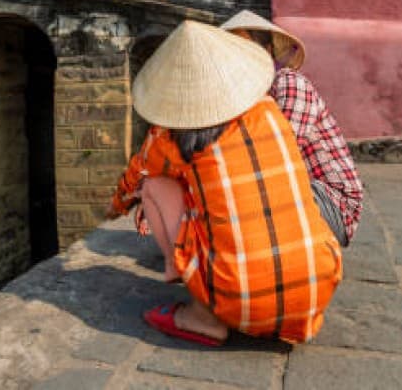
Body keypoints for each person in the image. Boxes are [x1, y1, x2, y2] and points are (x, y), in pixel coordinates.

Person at [107, 21, 342, 346]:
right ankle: (260, 306)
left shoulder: (170, 136)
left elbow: (140, 172)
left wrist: (116, 205)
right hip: (316, 291)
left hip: (239, 296)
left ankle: (203, 315)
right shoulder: (270, 112)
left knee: (155, 187)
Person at [220, 10, 363, 247]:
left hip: (331, 204)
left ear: (266, 51)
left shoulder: (289, 82)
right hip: (291, 195)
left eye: (244, 48)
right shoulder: (250, 98)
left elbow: (279, 153)